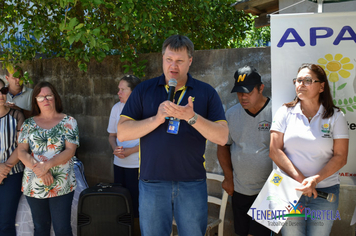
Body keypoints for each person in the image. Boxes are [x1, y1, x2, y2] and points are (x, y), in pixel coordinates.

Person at [117, 35, 228, 236]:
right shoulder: (144, 90)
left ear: (190, 61)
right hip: (152, 183)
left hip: (192, 183)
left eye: (179, 61)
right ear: (162, 59)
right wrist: (157, 119)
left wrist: (191, 117)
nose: (173, 66)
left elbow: (222, 137)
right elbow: (123, 133)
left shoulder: (206, 92)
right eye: (169, 60)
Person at [269, 63, 349, 236]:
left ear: (321, 86)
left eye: (307, 80)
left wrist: (316, 180)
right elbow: (274, 150)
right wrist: (304, 181)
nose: (300, 84)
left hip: (325, 193)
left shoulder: (336, 116)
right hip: (289, 189)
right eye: (298, 80)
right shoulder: (285, 111)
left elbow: (341, 157)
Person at [18, 81, 79, 236]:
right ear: (35, 101)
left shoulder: (69, 122)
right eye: (40, 97)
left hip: (61, 182)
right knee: (40, 228)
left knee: (62, 229)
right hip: (34, 182)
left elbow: (70, 150)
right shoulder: (28, 124)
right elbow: (21, 152)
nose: (45, 99)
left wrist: (47, 165)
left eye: (48, 95)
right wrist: (41, 170)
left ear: (55, 97)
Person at [217, 66, 272, 236]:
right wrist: (228, 177)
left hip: (270, 192)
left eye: (248, 91)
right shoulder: (232, 114)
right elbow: (223, 146)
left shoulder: (278, 111)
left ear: (261, 88)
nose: (243, 96)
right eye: (240, 92)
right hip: (240, 190)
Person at [107, 75, 141, 218]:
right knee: (121, 204)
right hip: (119, 163)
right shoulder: (116, 108)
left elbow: (150, 140)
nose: (118, 93)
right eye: (118, 89)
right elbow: (111, 136)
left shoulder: (144, 109)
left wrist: (130, 151)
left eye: (123, 89)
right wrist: (115, 148)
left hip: (137, 165)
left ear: (133, 92)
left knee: (136, 205)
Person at [0, 78, 25, 236]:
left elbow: (21, 146)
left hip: (13, 174)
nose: (1, 95)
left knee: (5, 223)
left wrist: (4, 169)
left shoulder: (16, 115)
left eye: (3, 91)